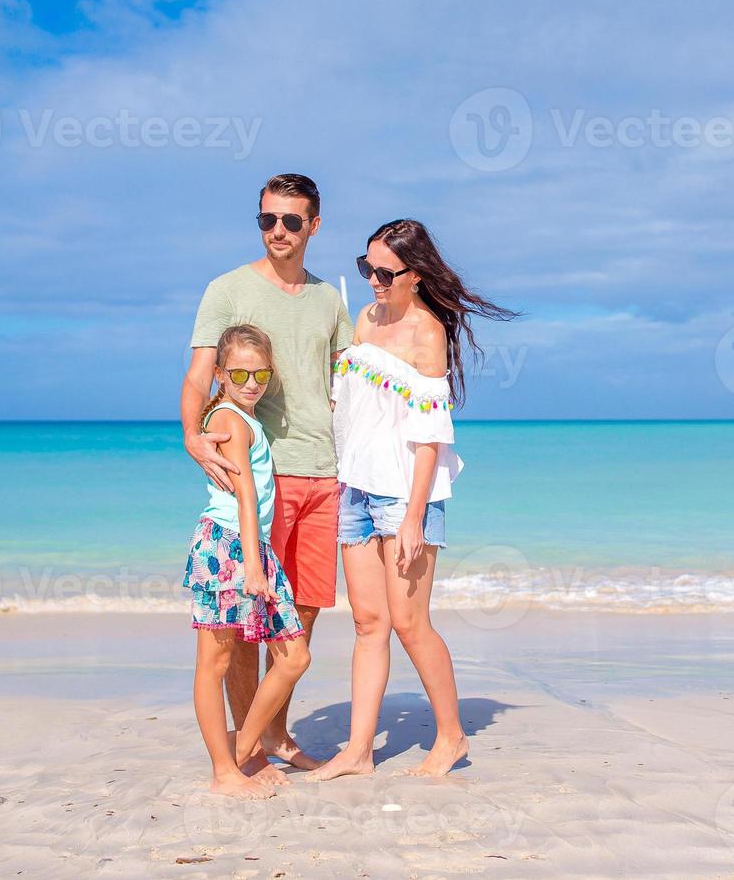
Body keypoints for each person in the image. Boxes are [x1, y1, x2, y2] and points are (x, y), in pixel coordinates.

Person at [314, 218, 516, 779]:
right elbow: (351, 408)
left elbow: (430, 439)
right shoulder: (365, 318)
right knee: (367, 622)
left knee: (410, 621)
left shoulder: (428, 333)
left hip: (406, 494)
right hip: (355, 487)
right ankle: (357, 752)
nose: (374, 281)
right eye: (366, 268)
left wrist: (413, 516)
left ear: (415, 274)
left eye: (384, 272)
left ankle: (451, 737)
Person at [181, 173, 353, 780]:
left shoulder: (331, 301)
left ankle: (272, 736)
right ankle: (246, 750)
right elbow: (200, 377)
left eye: (291, 220)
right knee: (249, 619)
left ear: (314, 224)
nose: (278, 231)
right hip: (267, 475)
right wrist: (191, 437)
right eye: (267, 220)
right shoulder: (227, 290)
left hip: (326, 474)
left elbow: (347, 383)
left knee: (300, 612)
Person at [184, 324, 310, 799]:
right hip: (229, 546)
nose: (251, 382)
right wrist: (254, 564)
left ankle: (241, 753)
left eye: (260, 373)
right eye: (238, 373)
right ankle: (224, 771)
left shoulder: (245, 418)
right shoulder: (231, 418)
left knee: (294, 656)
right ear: (219, 374)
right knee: (214, 662)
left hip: (251, 545)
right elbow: (245, 493)